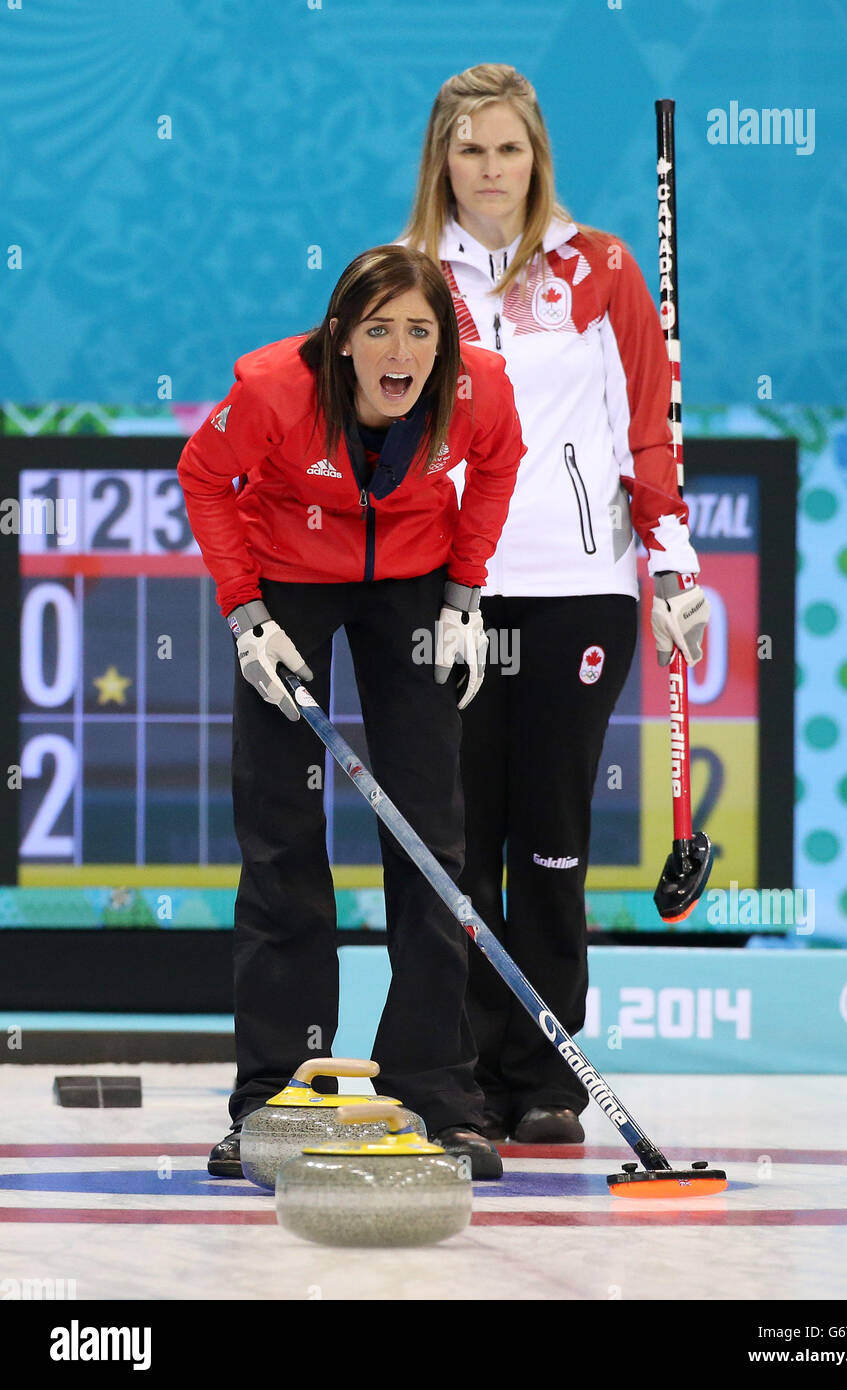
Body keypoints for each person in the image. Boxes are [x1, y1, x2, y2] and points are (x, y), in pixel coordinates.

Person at [400, 65, 710, 1143]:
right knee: (460, 837)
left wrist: (673, 567)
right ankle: (460, 1075)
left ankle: (544, 1075)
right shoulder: (409, 280)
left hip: (577, 589)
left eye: (510, 149)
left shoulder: (602, 266)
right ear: (443, 160)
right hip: (455, 595)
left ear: (539, 158)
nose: (491, 171)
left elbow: (648, 427)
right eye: (471, 150)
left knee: (551, 839)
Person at [177, 245, 526, 1180]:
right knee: (283, 834)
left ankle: (435, 1092)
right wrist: (244, 614)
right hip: (288, 579)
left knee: (428, 836)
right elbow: (202, 475)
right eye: (378, 330)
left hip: (412, 581)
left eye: (419, 330)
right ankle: (275, 1096)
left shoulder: (479, 391)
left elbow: (497, 467)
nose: (399, 351)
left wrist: (464, 592)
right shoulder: (270, 391)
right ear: (340, 340)